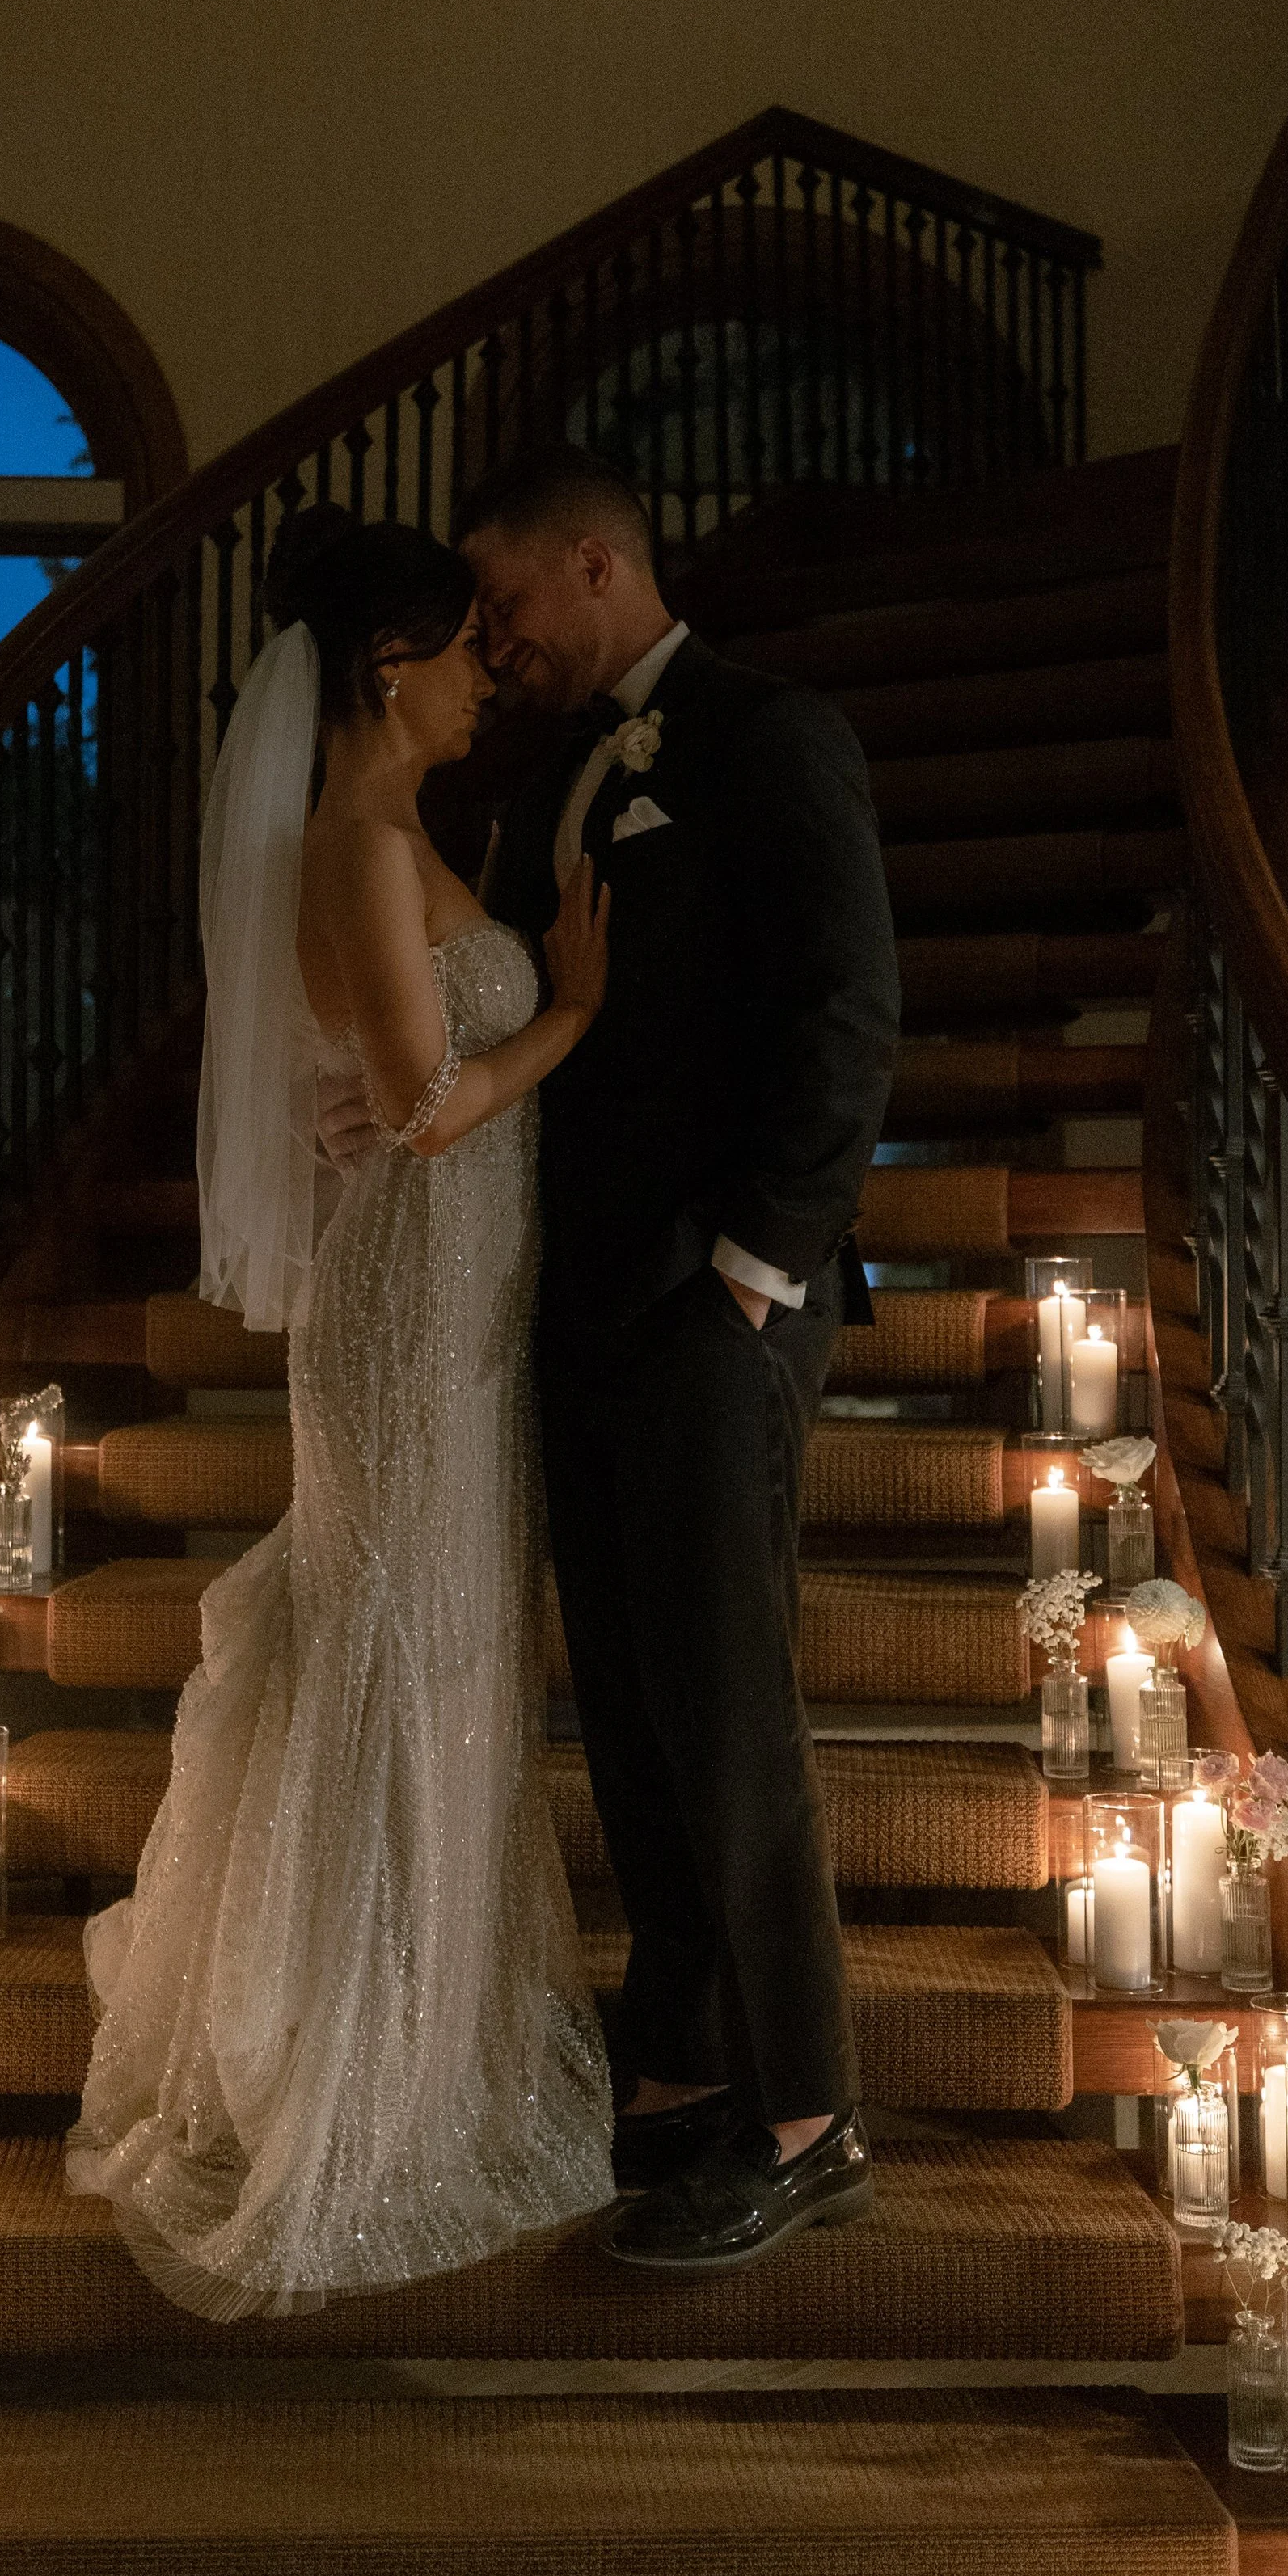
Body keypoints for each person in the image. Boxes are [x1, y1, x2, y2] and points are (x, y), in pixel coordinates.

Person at [67, 501, 615, 2319]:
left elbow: (383, 1097)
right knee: (404, 1647)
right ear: (391, 666)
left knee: (437, 1652)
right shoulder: (359, 839)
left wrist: (416, 1082)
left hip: (452, 1304)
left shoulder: (398, 835)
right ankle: (360, 2081)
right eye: (464, 644)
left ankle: (414, 2032)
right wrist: (575, 1009)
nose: (486, 673)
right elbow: (431, 1097)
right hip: (406, 1325)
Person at [462, 441, 900, 2273]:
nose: (494, 643)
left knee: (725, 1714)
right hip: (583, 1306)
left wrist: (748, 1272)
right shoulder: (543, 768)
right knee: (632, 1714)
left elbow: (845, 1013)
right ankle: (678, 2067)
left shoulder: (764, 733)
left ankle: (803, 2113)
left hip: (716, 1306)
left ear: (592, 565)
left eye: (504, 604)